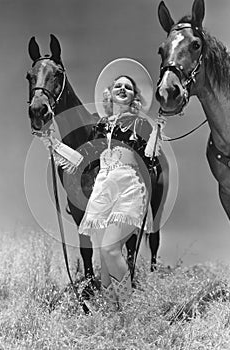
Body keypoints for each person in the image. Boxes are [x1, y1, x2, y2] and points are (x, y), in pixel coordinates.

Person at [78, 58, 156, 310]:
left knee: (111, 250)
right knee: (103, 254)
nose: (122, 89)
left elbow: (150, 158)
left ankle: (131, 312)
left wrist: (159, 131)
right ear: (109, 94)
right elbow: (83, 159)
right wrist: (52, 144)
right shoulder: (100, 126)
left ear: (134, 97)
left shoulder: (141, 123)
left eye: (128, 87)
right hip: (103, 190)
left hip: (128, 188)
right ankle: (111, 317)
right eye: (117, 86)